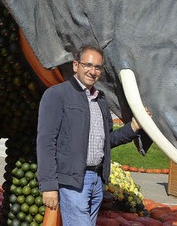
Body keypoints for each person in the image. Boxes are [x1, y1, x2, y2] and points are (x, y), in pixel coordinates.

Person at [36, 45, 142, 225]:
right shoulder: (57, 95)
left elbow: (107, 141)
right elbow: (46, 142)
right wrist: (48, 186)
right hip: (73, 182)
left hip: (96, 182)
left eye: (97, 67)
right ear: (76, 65)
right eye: (88, 65)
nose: (93, 71)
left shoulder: (100, 100)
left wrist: (132, 127)